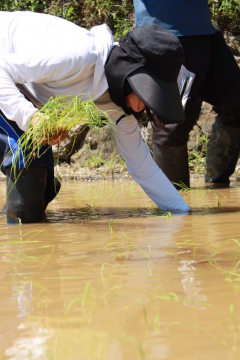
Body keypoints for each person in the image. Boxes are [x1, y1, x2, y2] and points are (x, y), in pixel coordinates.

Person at [0, 11, 190, 223]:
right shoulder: (78, 56)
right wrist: (31, 118)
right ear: (129, 73)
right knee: (27, 179)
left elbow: (143, 169)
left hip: (19, 89)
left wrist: (185, 216)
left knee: (36, 193)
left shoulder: (120, 111)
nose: (147, 106)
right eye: (148, 94)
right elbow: (2, 69)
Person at [133, 0, 240, 188]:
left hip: (202, 30)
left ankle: (217, 188)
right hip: (165, 32)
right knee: (171, 123)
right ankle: (173, 205)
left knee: (235, 102)